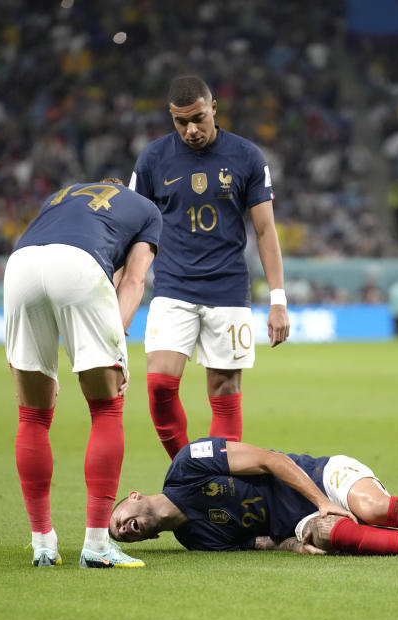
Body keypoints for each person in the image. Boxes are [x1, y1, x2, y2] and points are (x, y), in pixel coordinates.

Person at [4, 178, 161, 568]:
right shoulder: (145, 210)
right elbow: (134, 279)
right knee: (107, 409)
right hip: (78, 264)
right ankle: (96, 545)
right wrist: (118, 349)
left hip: (20, 266)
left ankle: (43, 542)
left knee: (33, 415)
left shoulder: (60, 195)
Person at [130, 75, 289, 458]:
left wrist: (278, 299)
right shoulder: (152, 160)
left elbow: (265, 230)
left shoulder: (247, 156)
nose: (191, 129)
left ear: (213, 107)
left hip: (229, 290)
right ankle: (190, 474)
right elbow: (131, 229)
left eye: (198, 118)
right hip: (172, 287)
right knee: (159, 387)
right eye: (180, 122)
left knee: (224, 392)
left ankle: (222, 484)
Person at [110, 437, 398, 559]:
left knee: (373, 509)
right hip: (297, 520)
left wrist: (321, 499)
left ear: (132, 496)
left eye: (119, 521)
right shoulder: (193, 541)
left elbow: (272, 460)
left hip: (319, 475)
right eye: (124, 537)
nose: (125, 530)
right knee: (333, 534)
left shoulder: (188, 464)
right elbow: (254, 543)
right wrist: (298, 543)